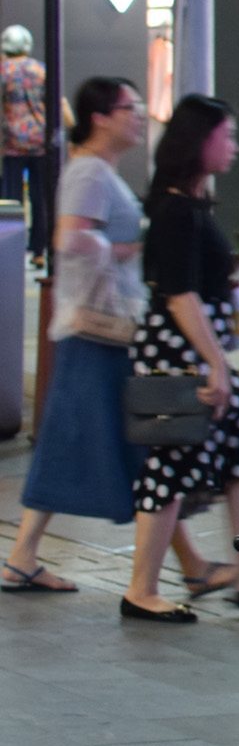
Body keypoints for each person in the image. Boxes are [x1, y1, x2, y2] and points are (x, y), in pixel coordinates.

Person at [122, 97, 239, 621]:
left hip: (189, 347)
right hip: (180, 353)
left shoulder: (188, 205)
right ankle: (141, 589)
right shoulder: (177, 209)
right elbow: (180, 294)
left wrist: (237, 262)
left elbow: (197, 281)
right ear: (200, 141)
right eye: (226, 135)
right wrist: (214, 363)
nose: (232, 146)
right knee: (171, 462)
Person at [5, 78, 147, 594]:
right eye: (130, 108)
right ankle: (22, 555)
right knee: (94, 440)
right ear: (102, 116)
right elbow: (70, 237)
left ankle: (23, 554)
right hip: (94, 329)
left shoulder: (99, 170)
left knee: (115, 443)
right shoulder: (89, 171)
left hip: (100, 330)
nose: (140, 116)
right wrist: (123, 250)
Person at [2, 24, 52, 266]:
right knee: (40, 197)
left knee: (11, 199)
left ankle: (12, 249)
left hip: (11, 143)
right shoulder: (40, 69)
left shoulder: (3, 70)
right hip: (40, 142)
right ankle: (39, 250)